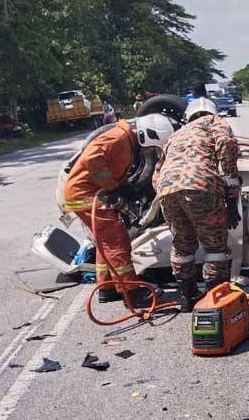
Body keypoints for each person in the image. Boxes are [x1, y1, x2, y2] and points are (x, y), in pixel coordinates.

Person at [63, 114, 175, 307]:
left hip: (87, 193)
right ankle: (131, 293)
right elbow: (93, 158)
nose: (149, 150)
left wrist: (123, 188)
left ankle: (106, 288)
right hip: (85, 195)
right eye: (151, 146)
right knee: (117, 241)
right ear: (146, 135)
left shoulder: (127, 141)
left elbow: (113, 166)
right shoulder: (118, 137)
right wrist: (112, 188)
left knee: (105, 241)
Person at [152, 98, 240, 312]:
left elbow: (157, 172)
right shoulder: (213, 122)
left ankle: (188, 296)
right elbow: (227, 145)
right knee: (215, 245)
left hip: (167, 189)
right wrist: (231, 188)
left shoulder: (177, 134)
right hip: (200, 186)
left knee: (182, 244)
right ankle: (214, 297)